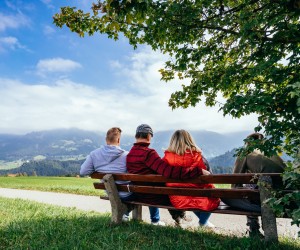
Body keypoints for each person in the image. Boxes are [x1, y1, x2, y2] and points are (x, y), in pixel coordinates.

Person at [126, 124, 209, 226]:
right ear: (148, 136)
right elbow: (169, 171)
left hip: (139, 193)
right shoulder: (149, 153)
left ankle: (174, 218)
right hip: (152, 196)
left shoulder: (130, 154)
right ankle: (180, 218)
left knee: (163, 188)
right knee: (171, 191)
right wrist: (197, 171)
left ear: (136, 136)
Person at [222, 132, 286, 237]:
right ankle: (254, 226)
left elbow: (235, 183)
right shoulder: (271, 153)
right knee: (251, 190)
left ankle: (253, 228)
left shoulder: (246, 153)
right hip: (285, 199)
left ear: (247, 143)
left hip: (269, 202)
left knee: (226, 197)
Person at [162, 129, 220, 228]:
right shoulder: (197, 157)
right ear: (190, 140)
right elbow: (209, 178)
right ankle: (203, 223)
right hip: (195, 195)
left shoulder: (166, 158)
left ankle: (204, 223)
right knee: (214, 198)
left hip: (177, 199)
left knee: (192, 198)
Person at [80, 127, 132, 221]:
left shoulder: (94, 154)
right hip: (126, 194)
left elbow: (83, 171)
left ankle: (124, 214)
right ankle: (126, 213)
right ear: (119, 140)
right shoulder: (127, 155)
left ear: (106, 139)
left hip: (110, 192)